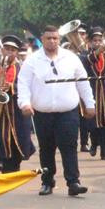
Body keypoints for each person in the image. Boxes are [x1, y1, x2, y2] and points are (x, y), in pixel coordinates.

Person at [17, 25, 96, 197]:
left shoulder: (71, 58)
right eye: (48, 38)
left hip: (68, 111)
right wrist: (24, 103)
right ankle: (47, 181)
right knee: (46, 148)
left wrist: (90, 104)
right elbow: (23, 84)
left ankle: (73, 182)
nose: (52, 41)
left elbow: (83, 82)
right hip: (42, 112)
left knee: (69, 146)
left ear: (59, 40)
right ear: (42, 39)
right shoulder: (32, 61)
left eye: (55, 38)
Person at [0, 34, 34, 174]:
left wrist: (10, 87)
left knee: (19, 139)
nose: (9, 52)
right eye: (7, 48)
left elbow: (28, 87)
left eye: (13, 49)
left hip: (17, 111)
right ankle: (7, 167)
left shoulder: (21, 67)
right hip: (0, 111)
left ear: (16, 52)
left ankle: (15, 165)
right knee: (2, 139)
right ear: (2, 50)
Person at [82, 28, 105, 160]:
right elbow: (87, 61)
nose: (98, 43)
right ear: (90, 42)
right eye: (95, 40)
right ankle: (94, 143)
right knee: (92, 123)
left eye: (100, 40)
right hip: (92, 91)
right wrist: (98, 51)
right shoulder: (85, 54)